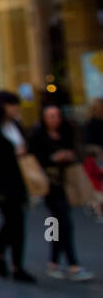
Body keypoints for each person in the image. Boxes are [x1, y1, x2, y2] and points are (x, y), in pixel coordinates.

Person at [28, 104, 93, 281]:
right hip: (49, 185)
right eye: (50, 115)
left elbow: (79, 153)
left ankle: (53, 262)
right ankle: (73, 265)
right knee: (64, 222)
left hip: (66, 183)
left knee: (56, 223)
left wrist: (69, 156)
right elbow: (33, 159)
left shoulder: (66, 134)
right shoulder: (38, 137)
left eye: (57, 115)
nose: (54, 119)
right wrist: (52, 158)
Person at [0, 91, 36, 283]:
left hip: (18, 180)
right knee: (13, 220)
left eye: (16, 105)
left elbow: (24, 147)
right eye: (12, 105)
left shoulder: (15, 125)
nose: (15, 109)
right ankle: (1, 255)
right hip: (1, 182)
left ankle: (14, 263)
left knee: (18, 222)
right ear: (2, 106)